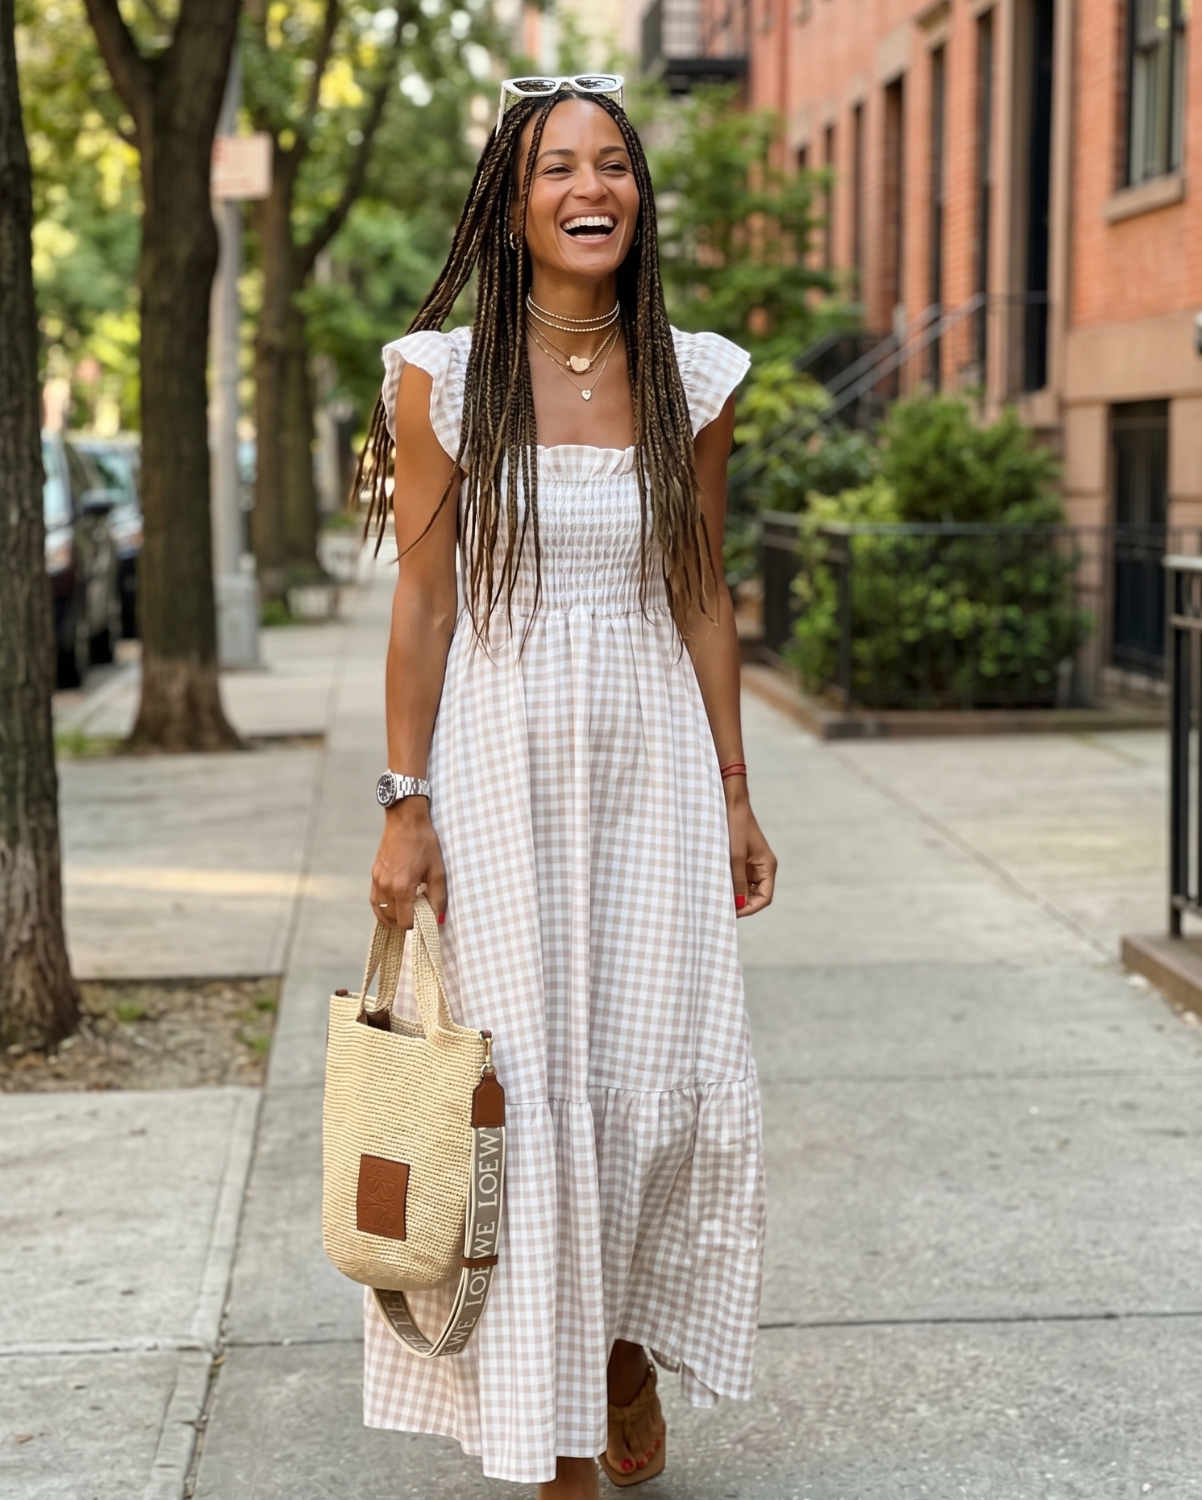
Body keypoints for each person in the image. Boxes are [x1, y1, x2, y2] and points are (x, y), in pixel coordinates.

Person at [359, 74, 776, 1497]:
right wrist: (402, 801)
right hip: (498, 755)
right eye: (557, 170)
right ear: (512, 204)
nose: (590, 189)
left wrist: (734, 786)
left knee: (653, 1079)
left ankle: (616, 1350)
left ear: (638, 195)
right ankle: (547, 1422)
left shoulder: (694, 376)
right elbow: (422, 603)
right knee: (522, 1087)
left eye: (612, 165)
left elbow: (702, 586)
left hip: (650, 759)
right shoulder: (443, 375)